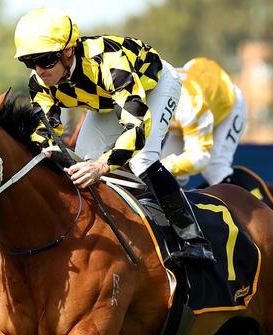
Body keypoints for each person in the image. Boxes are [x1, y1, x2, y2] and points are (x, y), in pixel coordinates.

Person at [13, 7, 214, 263]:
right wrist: (49, 150)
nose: (39, 70)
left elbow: (137, 128)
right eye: (30, 62)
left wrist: (102, 165)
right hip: (107, 101)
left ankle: (194, 239)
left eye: (46, 60)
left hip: (154, 87)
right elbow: (46, 131)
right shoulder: (38, 82)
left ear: (68, 51)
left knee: (142, 160)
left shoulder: (110, 63)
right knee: (81, 160)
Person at [161, 57, 247, 187]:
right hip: (188, 109)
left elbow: (201, 157)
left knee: (214, 168)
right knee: (163, 173)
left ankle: (241, 204)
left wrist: (167, 165)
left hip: (228, 108)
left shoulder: (188, 105)